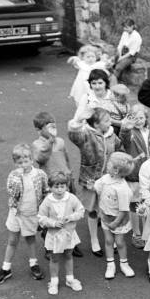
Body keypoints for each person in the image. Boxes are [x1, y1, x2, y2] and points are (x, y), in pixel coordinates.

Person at [68, 107, 122, 257]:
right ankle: (94, 240)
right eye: (106, 120)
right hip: (91, 180)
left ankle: (111, 239)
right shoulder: (86, 134)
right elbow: (74, 136)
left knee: (109, 209)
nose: (110, 122)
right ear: (97, 124)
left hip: (109, 180)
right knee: (92, 211)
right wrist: (78, 121)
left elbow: (119, 149)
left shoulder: (112, 135)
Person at [0, 144, 47, 285]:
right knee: (12, 240)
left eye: (26, 161)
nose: (24, 164)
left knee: (30, 239)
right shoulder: (13, 175)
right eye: (20, 162)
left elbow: (45, 192)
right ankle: (6, 268)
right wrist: (18, 180)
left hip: (31, 213)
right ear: (15, 163)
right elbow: (11, 193)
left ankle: (33, 264)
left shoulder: (40, 174)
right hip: (16, 213)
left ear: (31, 159)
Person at [32, 111, 84, 258]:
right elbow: (40, 158)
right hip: (51, 185)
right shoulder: (37, 144)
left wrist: (70, 174)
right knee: (52, 214)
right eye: (47, 127)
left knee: (68, 211)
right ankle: (49, 245)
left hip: (65, 181)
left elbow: (66, 159)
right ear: (38, 130)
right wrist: (49, 141)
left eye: (53, 126)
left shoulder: (60, 142)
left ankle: (71, 243)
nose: (52, 130)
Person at [37, 172, 85, 295]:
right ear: (50, 187)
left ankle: (70, 279)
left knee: (69, 255)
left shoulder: (71, 198)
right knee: (54, 258)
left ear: (66, 187)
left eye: (62, 186)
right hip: (54, 236)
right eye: (56, 187)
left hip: (69, 234)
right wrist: (53, 223)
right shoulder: (48, 201)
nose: (59, 190)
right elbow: (41, 217)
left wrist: (71, 217)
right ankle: (54, 281)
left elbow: (81, 210)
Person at [119, 103, 150, 249]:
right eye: (134, 118)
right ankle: (136, 234)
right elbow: (123, 140)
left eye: (141, 117)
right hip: (135, 175)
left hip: (149, 174)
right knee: (134, 205)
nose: (138, 120)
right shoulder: (130, 132)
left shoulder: (149, 131)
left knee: (147, 203)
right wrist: (125, 128)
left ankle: (147, 233)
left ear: (146, 118)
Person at [93, 152, 136, 279]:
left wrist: (116, 223)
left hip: (119, 220)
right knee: (108, 240)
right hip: (106, 217)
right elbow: (98, 187)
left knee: (120, 242)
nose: (107, 164)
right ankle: (110, 264)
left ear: (116, 170)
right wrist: (92, 186)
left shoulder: (122, 189)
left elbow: (123, 210)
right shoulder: (106, 178)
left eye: (110, 163)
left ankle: (124, 263)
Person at [110, 19, 142, 84]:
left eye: (127, 27)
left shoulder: (137, 37)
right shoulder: (125, 33)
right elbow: (120, 44)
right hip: (122, 51)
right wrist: (119, 54)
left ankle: (113, 82)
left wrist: (121, 58)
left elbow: (131, 52)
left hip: (131, 56)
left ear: (132, 26)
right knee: (112, 61)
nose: (125, 29)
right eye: (124, 27)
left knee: (119, 66)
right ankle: (112, 77)